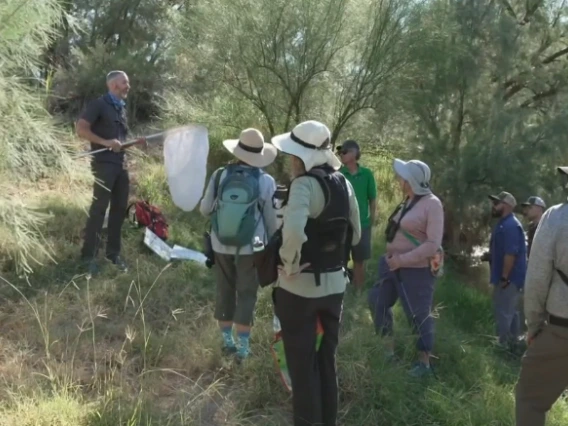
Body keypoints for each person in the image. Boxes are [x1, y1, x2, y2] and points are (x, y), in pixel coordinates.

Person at [271, 120, 361, 426]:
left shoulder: (303, 185)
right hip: (335, 287)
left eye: (292, 155)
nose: (291, 161)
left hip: (299, 291)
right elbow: (357, 234)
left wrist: (290, 264)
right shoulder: (345, 184)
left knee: (302, 367)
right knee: (326, 364)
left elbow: (293, 232)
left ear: (301, 157)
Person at [199, 128, 278, 361]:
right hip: (251, 247)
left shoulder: (220, 175)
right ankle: (243, 349)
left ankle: (227, 343)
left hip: (220, 242)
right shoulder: (265, 181)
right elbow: (271, 221)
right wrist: (272, 243)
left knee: (224, 289)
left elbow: (204, 209)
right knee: (246, 293)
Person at [368, 159, 444, 377]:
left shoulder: (433, 205)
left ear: (411, 181)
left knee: (419, 314)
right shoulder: (408, 201)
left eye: (402, 177)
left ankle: (424, 364)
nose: (398, 179)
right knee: (377, 300)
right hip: (391, 266)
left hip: (416, 270)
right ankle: (387, 351)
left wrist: (402, 260)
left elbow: (432, 244)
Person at [77, 71, 146, 275]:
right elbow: (80, 129)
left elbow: (119, 143)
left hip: (120, 165)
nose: (128, 86)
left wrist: (134, 142)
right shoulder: (98, 104)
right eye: (125, 82)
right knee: (99, 209)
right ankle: (88, 257)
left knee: (119, 210)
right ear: (114, 84)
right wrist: (106, 143)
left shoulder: (121, 109)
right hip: (104, 165)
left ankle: (113, 254)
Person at [515, 167, 568, 426]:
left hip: (561, 331)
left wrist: (534, 326)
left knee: (529, 400)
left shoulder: (556, 218)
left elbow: (536, 278)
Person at [487, 191, 527, 349]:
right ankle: (514, 341)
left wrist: (504, 277)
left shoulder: (511, 225)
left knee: (503, 310)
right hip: (506, 276)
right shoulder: (504, 223)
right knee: (511, 310)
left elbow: (511, 254)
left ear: (507, 206)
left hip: (509, 278)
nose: (494, 206)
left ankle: (502, 345)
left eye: (497, 203)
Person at [337, 139, 377, 290]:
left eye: (344, 152)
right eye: (340, 153)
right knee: (341, 260)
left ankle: (358, 291)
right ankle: (341, 291)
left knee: (359, 261)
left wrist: (372, 219)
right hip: (343, 225)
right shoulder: (339, 174)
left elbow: (372, 198)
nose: (341, 155)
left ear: (354, 153)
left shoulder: (367, 174)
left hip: (363, 225)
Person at [519, 196, 547, 334]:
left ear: (539, 208)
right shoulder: (531, 227)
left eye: (530, 207)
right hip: (531, 270)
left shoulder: (548, 227)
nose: (526, 210)